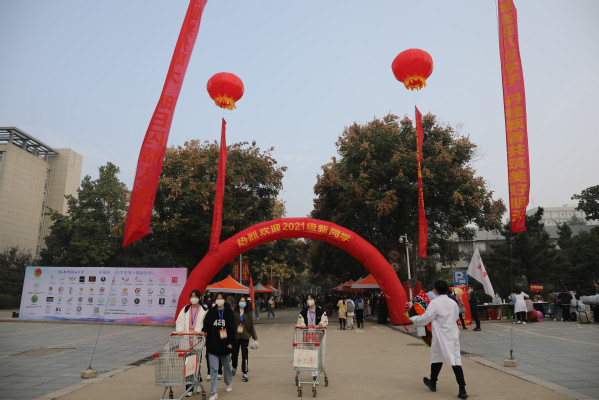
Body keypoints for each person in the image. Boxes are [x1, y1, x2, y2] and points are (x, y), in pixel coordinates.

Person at [410, 280, 468, 399]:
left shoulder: (435, 303)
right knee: (455, 360)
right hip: (452, 334)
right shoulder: (452, 303)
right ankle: (462, 389)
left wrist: (415, 319)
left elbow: (426, 318)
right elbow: (456, 316)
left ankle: (433, 382)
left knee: (437, 358)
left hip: (441, 335)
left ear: (435, 290)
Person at [202, 293, 236, 400]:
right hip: (212, 345)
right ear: (215, 300)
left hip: (225, 344)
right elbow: (206, 325)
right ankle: (214, 392)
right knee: (214, 369)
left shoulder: (229, 312)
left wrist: (230, 342)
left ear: (224, 300)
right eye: (217, 298)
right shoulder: (211, 312)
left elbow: (232, 329)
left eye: (221, 298)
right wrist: (204, 334)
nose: (219, 300)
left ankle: (228, 382)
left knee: (227, 366)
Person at [175, 290, 208, 397]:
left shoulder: (204, 310)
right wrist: (180, 330)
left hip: (197, 341)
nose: (193, 298)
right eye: (192, 296)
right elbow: (179, 321)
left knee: (196, 364)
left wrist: (198, 331)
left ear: (199, 298)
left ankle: (197, 382)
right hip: (186, 341)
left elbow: (204, 324)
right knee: (187, 365)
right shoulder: (185, 309)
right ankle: (188, 388)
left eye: (195, 296)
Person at [231, 296, 258, 383]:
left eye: (244, 301)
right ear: (238, 302)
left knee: (245, 355)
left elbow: (251, 326)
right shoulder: (234, 312)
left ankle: (245, 372)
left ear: (246, 303)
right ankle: (234, 367)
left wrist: (255, 337)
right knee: (234, 354)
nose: (242, 302)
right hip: (236, 337)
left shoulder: (248, 314)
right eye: (241, 301)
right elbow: (230, 324)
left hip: (245, 337)